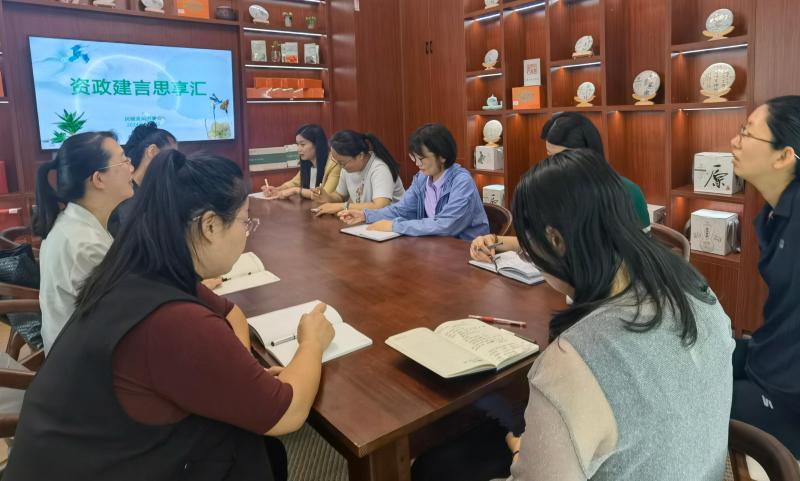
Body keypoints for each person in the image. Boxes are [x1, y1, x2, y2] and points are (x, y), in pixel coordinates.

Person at [6, 150, 335, 481]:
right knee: (256, 447)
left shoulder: (143, 268)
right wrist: (311, 342)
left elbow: (230, 313)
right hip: (100, 466)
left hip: (88, 448)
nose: (247, 233)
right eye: (244, 222)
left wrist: (238, 372)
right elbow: (289, 413)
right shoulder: (173, 321)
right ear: (210, 225)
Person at [412, 149, 734, 481]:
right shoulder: (699, 293)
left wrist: (522, 452)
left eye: (528, 247)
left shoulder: (573, 360)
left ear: (555, 240)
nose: (528, 255)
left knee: (434, 467)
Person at [470, 111, 650, 262]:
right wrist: (493, 241)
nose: (555, 165)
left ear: (590, 155)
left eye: (564, 158)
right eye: (550, 156)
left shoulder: (626, 192)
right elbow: (541, 244)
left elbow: (638, 258)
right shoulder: (552, 190)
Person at [728, 95, 800, 458]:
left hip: (788, 391)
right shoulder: (774, 212)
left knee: (693, 398)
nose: (734, 141)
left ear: (784, 156)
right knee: (700, 357)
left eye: (746, 133)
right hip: (768, 353)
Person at [33, 131, 134, 354]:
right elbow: (120, 319)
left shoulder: (76, 222)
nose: (131, 168)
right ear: (98, 179)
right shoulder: (85, 245)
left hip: (79, 352)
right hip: (84, 364)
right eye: (124, 161)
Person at [338, 123, 489, 241]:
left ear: (442, 156)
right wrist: (365, 215)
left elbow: (445, 225)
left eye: (421, 158)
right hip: (436, 247)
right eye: (413, 158)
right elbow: (401, 209)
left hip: (465, 251)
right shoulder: (422, 178)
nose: (417, 163)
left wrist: (395, 226)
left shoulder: (462, 182)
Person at [312, 130, 405, 216]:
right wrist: (328, 197)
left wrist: (342, 206)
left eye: (342, 163)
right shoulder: (347, 168)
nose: (340, 167)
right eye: (337, 162)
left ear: (360, 155)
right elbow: (340, 195)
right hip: (366, 219)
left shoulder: (380, 169)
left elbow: (379, 206)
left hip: (393, 221)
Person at [108, 122, 177, 237]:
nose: (175, 165)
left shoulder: (158, 191)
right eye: (173, 157)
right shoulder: (123, 197)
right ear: (152, 151)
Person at [261, 124, 342, 200]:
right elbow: (294, 182)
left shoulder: (334, 164)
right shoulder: (307, 161)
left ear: (317, 144)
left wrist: (296, 190)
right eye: (297, 144)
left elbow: (324, 195)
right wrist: (277, 189)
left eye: (302, 144)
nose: (299, 149)